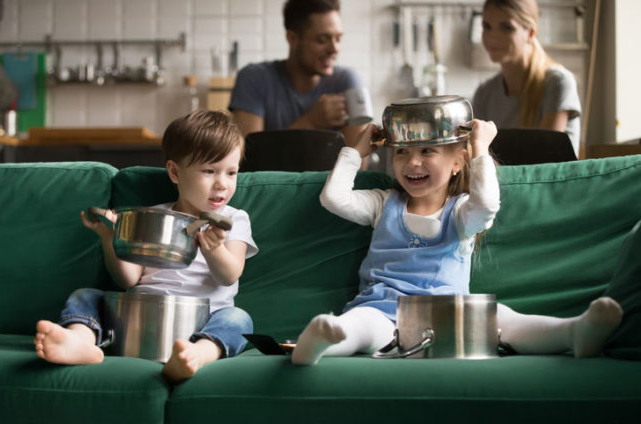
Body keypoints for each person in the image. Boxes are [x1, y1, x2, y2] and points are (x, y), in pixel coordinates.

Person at [291, 121, 622, 365]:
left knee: (505, 319)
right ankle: (323, 343)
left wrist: (480, 149)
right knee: (361, 325)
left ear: (457, 162)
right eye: (402, 151)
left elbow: (487, 205)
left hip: (453, 319)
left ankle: (574, 333)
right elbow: (333, 198)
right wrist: (357, 151)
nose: (412, 162)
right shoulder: (383, 202)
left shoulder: (462, 211)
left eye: (427, 151)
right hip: (385, 311)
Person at [33, 110, 258, 383]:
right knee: (86, 296)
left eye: (231, 172)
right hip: (141, 315)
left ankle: (195, 355)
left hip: (204, 318)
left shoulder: (233, 220)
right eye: (209, 171)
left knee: (238, 319)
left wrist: (214, 251)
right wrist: (109, 239)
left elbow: (230, 274)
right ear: (175, 172)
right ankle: (81, 341)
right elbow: (128, 279)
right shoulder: (152, 216)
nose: (222, 183)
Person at [228, 0, 365, 147]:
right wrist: (310, 122)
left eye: (338, 38)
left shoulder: (347, 82)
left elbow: (360, 164)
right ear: (292, 38)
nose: (334, 48)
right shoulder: (253, 79)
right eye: (323, 39)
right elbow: (248, 160)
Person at [472, 0, 582, 156]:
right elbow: (477, 156)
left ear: (530, 33)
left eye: (506, 27)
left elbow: (545, 159)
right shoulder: (484, 93)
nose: (492, 36)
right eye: (487, 26)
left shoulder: (558, 83)